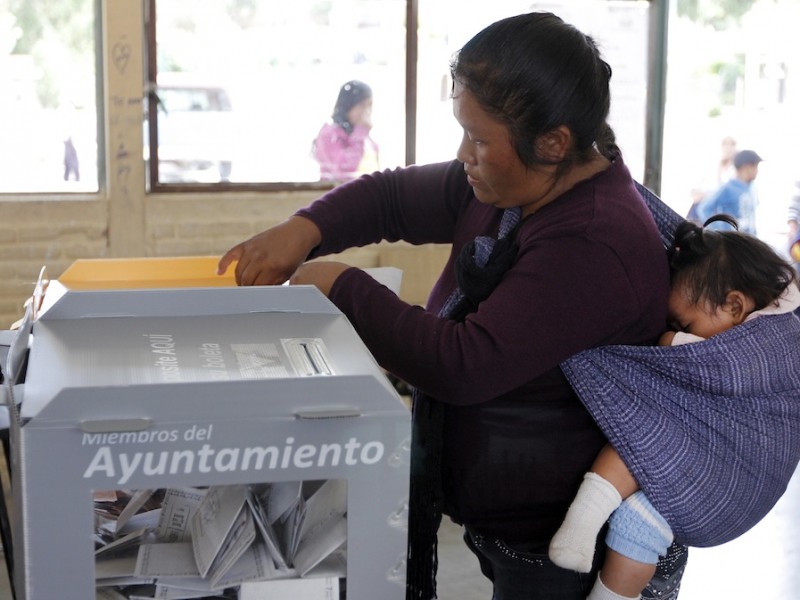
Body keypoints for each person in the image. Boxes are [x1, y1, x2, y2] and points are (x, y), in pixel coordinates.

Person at [218, 12, 686, 599]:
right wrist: (305, 228)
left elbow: (465, 364)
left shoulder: (594, 239)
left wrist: (341, 285)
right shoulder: (517, 184)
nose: (465, 153)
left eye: (481, 139)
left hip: (568, 550)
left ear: (554, 142)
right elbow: (391, 196)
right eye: (464, 131)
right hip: (510, 524)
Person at [550, 214, 800, 600]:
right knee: (639, 520)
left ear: (734, 306)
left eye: (685, 322)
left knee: (642, 437)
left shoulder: (765, 346)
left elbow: (716, 366)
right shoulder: (771, 310)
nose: (676, 329)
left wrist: (667, 338)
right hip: (701, 460)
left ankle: (583, 523)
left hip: (733, 474)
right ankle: (585, 544)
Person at [312, 80, 379, 182]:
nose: (366, 111)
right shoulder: (329, 134)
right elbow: (344, 173)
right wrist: (360, 133)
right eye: (361, 105)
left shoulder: (366, 138)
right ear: (348, 105)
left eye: (369, 105)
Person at [696, 149, 762, 234]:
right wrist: (720, 231)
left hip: (750, 239)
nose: (757, 171)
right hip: (733, 241)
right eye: (755, 166)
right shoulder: (727, 188)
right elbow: (704, 209)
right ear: (746, 167)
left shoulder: (753, 187)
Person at [685, 136, 736, 222]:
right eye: (726, 145)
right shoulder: (711, 166)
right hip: (701, 207)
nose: (728, 149)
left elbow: (726, 196)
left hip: (719, 211)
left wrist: (707, 195)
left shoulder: (735, 171)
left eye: (731, 145)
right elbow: (694, 192)